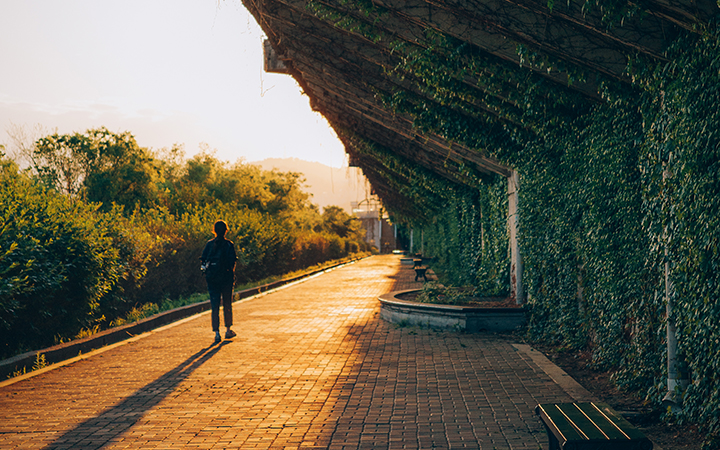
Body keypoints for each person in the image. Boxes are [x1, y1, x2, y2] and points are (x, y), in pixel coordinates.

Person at [200, 220, 238, 344]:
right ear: (226, 230)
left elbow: (203, 260)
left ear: (214, 230)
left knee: (214, 305)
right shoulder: (228, 245)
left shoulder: (209, 244)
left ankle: (216, 333)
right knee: (227, 303)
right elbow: (233, 262)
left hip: (212, 279)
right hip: (226, 279)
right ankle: (228, 329)